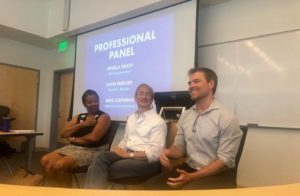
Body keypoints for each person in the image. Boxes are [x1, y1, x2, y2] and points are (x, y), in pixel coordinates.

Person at [145, 67, 242, 190]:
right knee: (152, 185)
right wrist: (167, 152)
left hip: (218, 174)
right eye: (189, 83)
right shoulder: (186, 115)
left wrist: (192, 177)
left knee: (187, 192)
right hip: (190, 169)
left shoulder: (227, 117)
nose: (191, 86)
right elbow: (179, 149)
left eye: (196, 81)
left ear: (211, 84)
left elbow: (224, 161)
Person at [85, 83, 167, 189]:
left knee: (98, 168)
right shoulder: (131, 117)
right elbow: (126, 139)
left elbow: (156, 153)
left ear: (151, 99)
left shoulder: (158, 121)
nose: (144, 97)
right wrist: (119, 149)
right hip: (127, 155)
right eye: (140, 94)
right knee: (100, 157)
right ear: (135, 98)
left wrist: (128, 155)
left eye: (147, 94)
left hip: (146, 162)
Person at [40, 89, 111, 187]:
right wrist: (82, 124)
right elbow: (63, 133)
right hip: (73, 148)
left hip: (93, 150)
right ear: (85, 104)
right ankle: (57, 191)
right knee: (45, 160)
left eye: (96, 101)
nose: (94, 103)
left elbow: (93, 138)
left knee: (59, 165)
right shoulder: (79, 117)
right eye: (90, 102)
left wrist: (74, 139)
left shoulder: (104, 117)